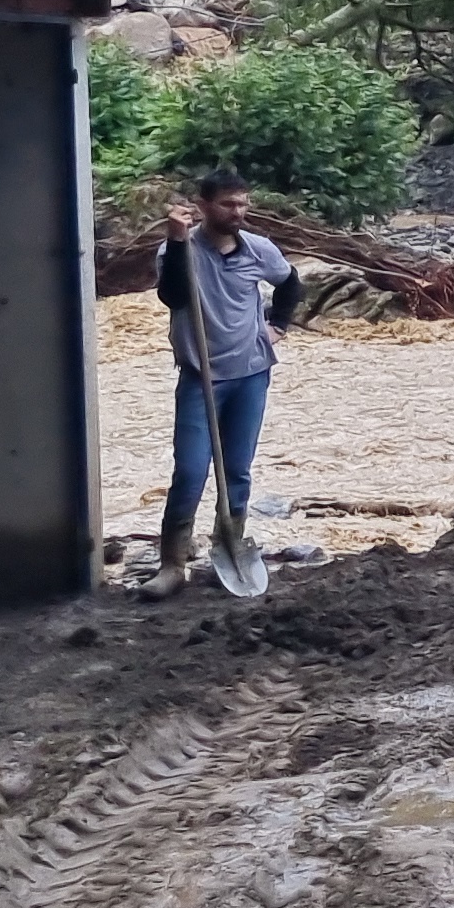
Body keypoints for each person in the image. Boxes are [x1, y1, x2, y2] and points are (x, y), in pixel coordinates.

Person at [155, 170, 302, 594]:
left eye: (242, 203)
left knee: (236, 469)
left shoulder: (258, 249)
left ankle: (230, 544)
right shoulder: (176, 250)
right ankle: (171, 565)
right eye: (227, 204)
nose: (237, 212)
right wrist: (179, 241)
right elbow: (174, 297)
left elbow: (291, 283)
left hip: (251, 373)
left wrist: (278, 326)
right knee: (190, 469)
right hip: (202, 376)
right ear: (203, 206)